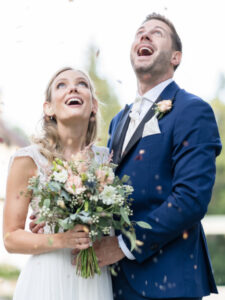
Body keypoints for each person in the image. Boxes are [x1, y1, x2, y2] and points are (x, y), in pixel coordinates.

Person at [91, 13, 222, 300]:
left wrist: (124, 245)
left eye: (157, 32)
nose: (145, 36)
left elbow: (189, 200)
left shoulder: (192, 111)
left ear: (176, 57)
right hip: (115, 282)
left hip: (168, 283)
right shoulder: (118, 120)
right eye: (140, 32)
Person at [3, 67, 113, 300]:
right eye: (61, 85)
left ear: (93, 105)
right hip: (46, 280)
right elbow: (11, 238)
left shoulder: (108, 161)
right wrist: (60, 238)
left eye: (82, 83)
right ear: (48, 108)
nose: (73, 87)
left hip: (94, 279)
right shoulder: (28, 160)